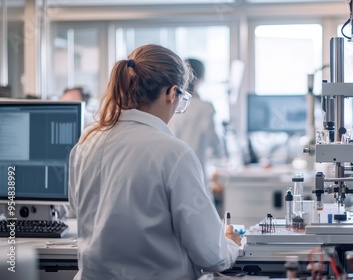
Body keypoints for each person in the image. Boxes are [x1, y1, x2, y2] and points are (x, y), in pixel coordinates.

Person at [68, 44, 241, 280]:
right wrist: (230, 244)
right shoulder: (173, 153)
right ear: (172, 93)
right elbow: (211, 256)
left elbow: (80, 211)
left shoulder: (85, 144)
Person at [168, 58, 224, 207]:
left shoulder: (171, 104)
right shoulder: (205, 108)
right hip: (197, 173)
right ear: (202, 78)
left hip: (172, 174)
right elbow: (216, 145)